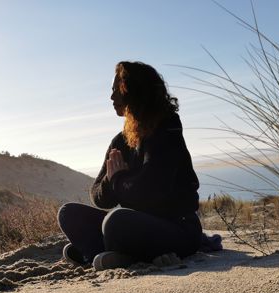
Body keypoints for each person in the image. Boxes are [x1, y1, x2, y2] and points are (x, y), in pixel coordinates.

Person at [57, 61, 203, 271]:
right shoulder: (121, 140)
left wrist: (118, 179)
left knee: (117, 221)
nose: (112, 97)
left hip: (178, 229)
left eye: (117, 90)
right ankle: (110, 255)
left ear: (135, 91)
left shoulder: (167, 129)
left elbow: (150, 191)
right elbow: (99, 197)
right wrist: (111, 179)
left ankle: (99, 252)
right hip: (140, 225)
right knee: (68, 213)